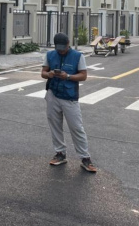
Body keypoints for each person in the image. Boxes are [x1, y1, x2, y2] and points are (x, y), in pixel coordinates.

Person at [41, 32, 97, 173]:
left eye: (64, 48)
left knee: (76, 127)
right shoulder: (50, 55)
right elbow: (43, 73)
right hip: (53, 95)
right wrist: (49, 74)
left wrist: (68, 76)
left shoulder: (78, 56)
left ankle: (85, 158)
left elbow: (83, 76)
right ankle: (60, 153)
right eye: (58, 48)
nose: (61, 51)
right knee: (55, 125)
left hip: (69, 97)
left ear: (68, 44)